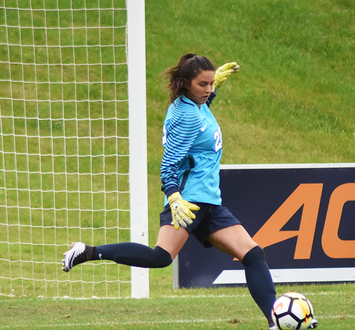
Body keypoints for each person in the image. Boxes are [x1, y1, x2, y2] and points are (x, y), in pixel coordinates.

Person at [62, 53, 317, 330]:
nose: (209, 90)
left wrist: (213, 88)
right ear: (186, 84)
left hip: (210, 201)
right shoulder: (186, 117)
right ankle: (87, 251)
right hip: (188, 201)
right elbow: (168, 165)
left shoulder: (197, 105)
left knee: (253, 254)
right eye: (203, 84)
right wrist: (174, 198)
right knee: (160, 257)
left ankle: (275, 320)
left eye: (211, 84)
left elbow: (203, 121)